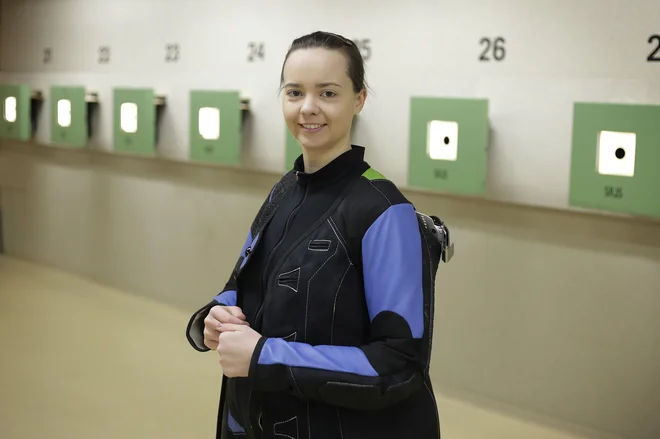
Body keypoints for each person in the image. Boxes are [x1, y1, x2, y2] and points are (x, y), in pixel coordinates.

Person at [186, 30, 442, 439]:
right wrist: (216, 315)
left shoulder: (385, 212)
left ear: (358, 100)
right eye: (294, 92)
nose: (308, 108)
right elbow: (242, 284)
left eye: (327, 93)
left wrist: (264, 355)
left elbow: (398, 363)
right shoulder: (285, 189)